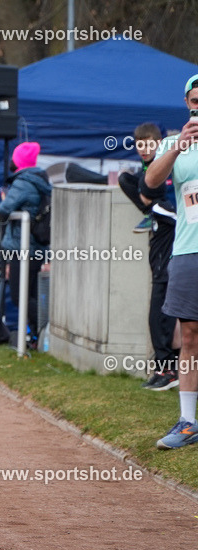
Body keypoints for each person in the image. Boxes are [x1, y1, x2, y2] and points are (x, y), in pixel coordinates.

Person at [145, 74, 198, 449]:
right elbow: (150, 181)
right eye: (195, 100)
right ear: (186, 103)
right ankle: (188, 422)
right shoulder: (172, 143)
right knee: (190, 335)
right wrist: (179, 146)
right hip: (187, 250)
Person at [118, 122, 178, 389]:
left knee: (161, 308)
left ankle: (168, 369)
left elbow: (175, 209)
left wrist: (156, 208)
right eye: (139, 144)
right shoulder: (145, 173)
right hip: (159, 243)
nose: (144, 149)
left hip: (172, 246)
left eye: (149, 144)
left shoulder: (172, 166)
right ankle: (167, 366)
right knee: (166, 310)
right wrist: (150, 208)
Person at [0, 141, 51, 347]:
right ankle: (37, 337)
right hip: (36, 248)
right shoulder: (38, 180)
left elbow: (6, 209)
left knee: (19, 296)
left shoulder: (23, 183)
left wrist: (1, 204)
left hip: (21, 248)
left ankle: (48, 326)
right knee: (31, 293)